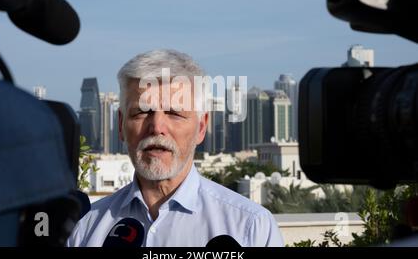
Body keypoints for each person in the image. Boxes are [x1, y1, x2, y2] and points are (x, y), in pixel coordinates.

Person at [67, 49, 284, 247]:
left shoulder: (250, 228)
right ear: (121, 125)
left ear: (201, 127)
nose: (157, 127)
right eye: (141, 112)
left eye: (174, 113)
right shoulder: (85, 227)